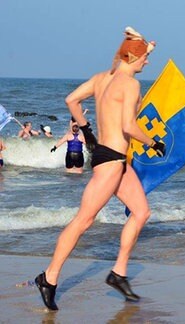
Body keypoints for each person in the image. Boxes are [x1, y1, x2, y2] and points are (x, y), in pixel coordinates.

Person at [35, 27, 164, 311]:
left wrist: (87, 131)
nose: (148, 63)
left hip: (114, 159)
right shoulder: (131, 85)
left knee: (141, 212)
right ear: (133, 57)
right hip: (112, 162)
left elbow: (71, 100)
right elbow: (129, 126)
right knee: (84, 220)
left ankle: (118, 273)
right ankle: (49, 277)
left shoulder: (102, 79)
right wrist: (154, 142)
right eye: (146, 58)